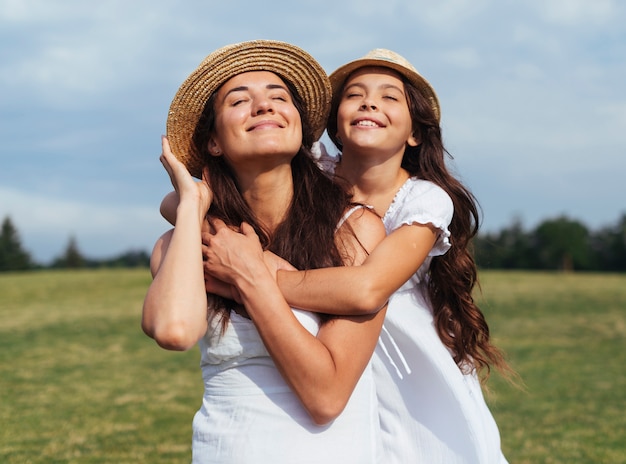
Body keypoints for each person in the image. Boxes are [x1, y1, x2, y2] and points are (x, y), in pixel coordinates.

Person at [200, 49, 512, 463]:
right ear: (335, 129)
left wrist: (252, 274)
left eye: (389, 97)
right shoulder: (315, 178)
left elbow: (366, 290)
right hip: (329, 347)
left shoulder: (423, 200)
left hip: (405, 370)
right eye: (356, 95)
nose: (370, 103)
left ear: (415, 133)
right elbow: (189, 199)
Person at [142, 40, 387, 464]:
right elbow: (174, 331)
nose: (264, 107)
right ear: (214, 142)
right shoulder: (188, 243)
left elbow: (326, 396)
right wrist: (189, 203)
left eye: (279, 97)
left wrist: (248, 276)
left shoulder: (355, 231)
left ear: (297, 124)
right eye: (240, 101)